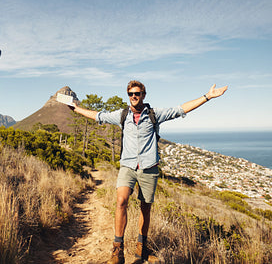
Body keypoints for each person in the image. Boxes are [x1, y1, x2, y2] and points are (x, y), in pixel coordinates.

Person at [70, 80, 228, 264]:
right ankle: (117, 249)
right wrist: (76, 109)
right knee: (121, 201)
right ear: (128, 95)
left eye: (137, 93)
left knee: (145, 209)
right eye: (130, 94)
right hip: (128, 166)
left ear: (143, 95)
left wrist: (207, 96)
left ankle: (141, 249)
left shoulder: (154, 114)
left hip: (149, 168)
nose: (134, 97)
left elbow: (180, 109)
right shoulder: (122, 115)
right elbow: (98, 115)